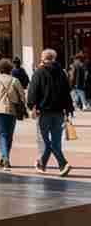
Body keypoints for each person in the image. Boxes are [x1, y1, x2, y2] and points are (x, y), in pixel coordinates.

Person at [28, 48, 74, 176]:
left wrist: (32, 106)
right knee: (55, 140)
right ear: (54, 58)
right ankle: (42, 164)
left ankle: (63, 163)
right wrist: (69, 109)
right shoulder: (62, 73)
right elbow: (67, 93)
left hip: (44, 112)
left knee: (45, 141)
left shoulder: (39, 72)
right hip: (59, 112)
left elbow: (32, 92)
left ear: (43, 58)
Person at [0, 58, 27, 169]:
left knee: (2, 135)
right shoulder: (14, 80)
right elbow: (22, 96)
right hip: (12, 111)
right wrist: (24, 107)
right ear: (10, 69)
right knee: (9, 136)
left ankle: (5, 158)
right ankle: (4, 158)